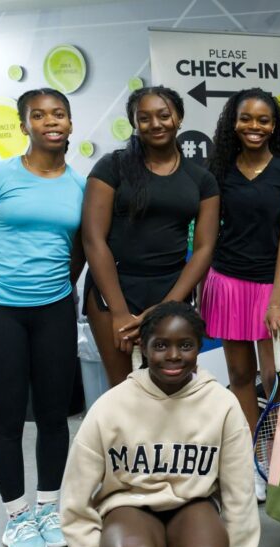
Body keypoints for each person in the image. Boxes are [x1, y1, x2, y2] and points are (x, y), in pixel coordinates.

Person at [61, 302, 260, 547]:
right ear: (143, 348)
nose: (173, 356)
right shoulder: (110, 407)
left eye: (185, 345)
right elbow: (74, 505)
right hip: (129, 509)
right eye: (160, 345)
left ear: (199, 348)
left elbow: (240, 497)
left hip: (193, 507)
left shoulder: (222, 405)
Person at [0, 88, 86, 547]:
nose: (51, 121)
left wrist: (55, 288)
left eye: (59, 114)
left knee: (54, 417)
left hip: (53, 310)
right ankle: (17, 516)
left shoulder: (80, 186)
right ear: (24, 123)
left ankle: (49, 508)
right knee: (7, 420)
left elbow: (80, 251)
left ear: (70, 123)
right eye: (39, 114)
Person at [82, 86, 220, 387]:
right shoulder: (112, 166)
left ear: (179, 118)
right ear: (134, 122)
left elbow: (204, 248)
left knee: (173, 385)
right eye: (144, 118)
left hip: (171, 288)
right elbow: (93, 239)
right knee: (124, 388)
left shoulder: (201, 178)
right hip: (113, 290)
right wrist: (119, 312)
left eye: (163, 115)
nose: (155, 124)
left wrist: (166, 307)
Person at [201, 88, 280, 447]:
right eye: (246, 118)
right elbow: (208, 235)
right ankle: (252, 450)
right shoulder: (217, 171)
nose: (254, 126)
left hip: (271, 287)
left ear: (274, 126)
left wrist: (276, 301)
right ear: (234, 123)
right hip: (227, 282)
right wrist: (201, 290)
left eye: (263, 119)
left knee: (275, 374)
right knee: (240, 374)